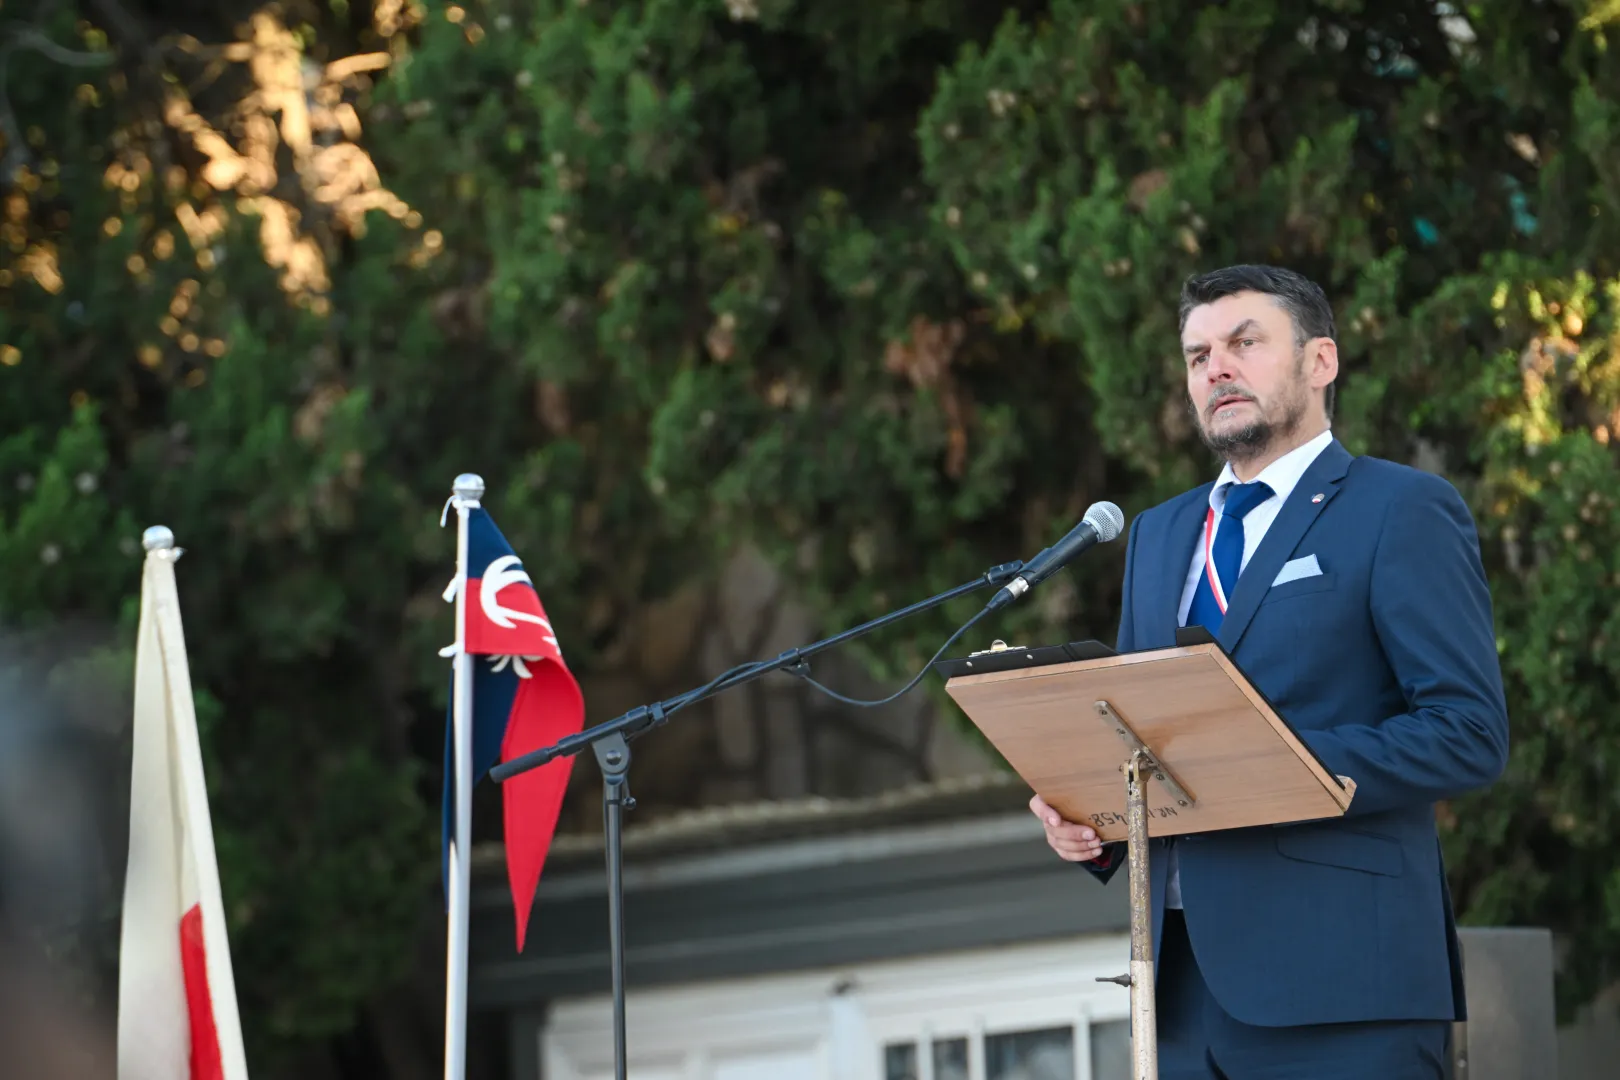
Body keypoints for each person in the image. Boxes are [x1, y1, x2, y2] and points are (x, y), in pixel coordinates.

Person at [1030, 264, 1509, 1078]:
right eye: (1197, 354)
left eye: (1244, 343)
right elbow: (1140, 735)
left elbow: (1468, 733)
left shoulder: (1399, 509)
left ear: (1320, 362)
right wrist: (1089, 822)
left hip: (1348, 990)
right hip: (1178, 996)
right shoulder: (1155, 534)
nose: (1216, 367)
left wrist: (1275, 765)